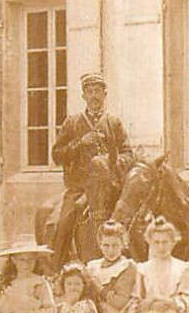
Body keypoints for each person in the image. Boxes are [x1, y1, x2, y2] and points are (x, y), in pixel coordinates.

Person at [51, 72, 135, 266]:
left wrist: (112, 162)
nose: (94, 96)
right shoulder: (72, 123)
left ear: (105, 94)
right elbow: (57, 155)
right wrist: (81, 143)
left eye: (98, 91)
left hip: (111, 187)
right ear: (83, 96)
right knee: (64, 222)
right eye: (89, 91)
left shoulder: (114, 123)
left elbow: (128, 153)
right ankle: (56, 266)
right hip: (81, 188)